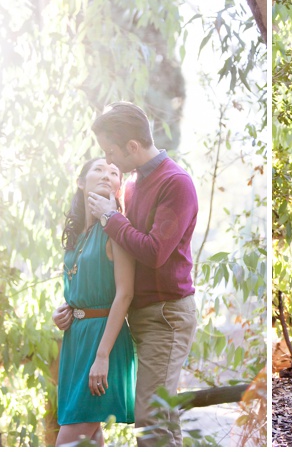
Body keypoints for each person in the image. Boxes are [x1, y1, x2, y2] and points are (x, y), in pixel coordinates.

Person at [87, 101, 198, 447]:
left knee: (151, 419)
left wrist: (110, 217)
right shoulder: (134, 184)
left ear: (132, 147)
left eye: (111, 151)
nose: (109, 161)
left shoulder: (175, 183)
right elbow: (123, 260)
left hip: (167, 315)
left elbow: (153, 252)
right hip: (143, 315)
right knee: (158, 417)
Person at [52, 158, 137, 446]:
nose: (107, 175)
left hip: (104, 342)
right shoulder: (78, 236)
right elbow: (77, 287)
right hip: (76, 340)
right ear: (80, 182)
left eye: (114, 172)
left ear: (118, 187)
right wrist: (64, 312)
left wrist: (102, 356)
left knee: (69, 443)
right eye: (98, 169)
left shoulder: (116, 230)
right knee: (91, 438)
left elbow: (124, 293)